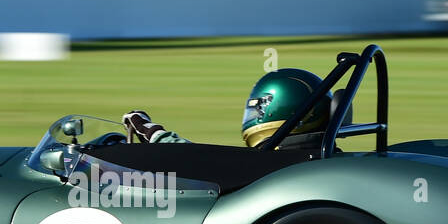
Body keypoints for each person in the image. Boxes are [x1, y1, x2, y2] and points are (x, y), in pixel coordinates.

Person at [123, 68, 332, 151]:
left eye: (255, 110)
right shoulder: (320, 155)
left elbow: (198, 159)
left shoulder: (269, 162)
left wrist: (153, 132)